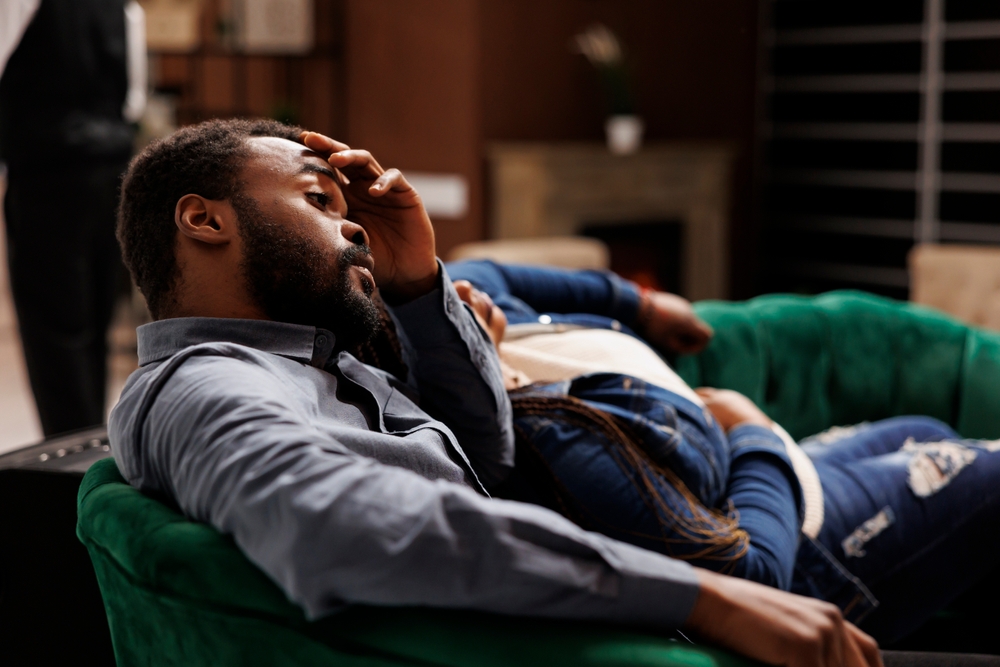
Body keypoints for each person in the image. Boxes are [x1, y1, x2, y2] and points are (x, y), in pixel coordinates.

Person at [109, 118, 881, 667]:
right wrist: (701, 596)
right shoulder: (207, 383)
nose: (354, 232)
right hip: (652, 631)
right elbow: (340, 524)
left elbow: (487, 448)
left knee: (905, 436)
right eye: (318, 200)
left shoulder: (311, 360)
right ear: (204, 219)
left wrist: (415, 283)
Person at [444, 260, 1000, 646]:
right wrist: (753, 430)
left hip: (774, 470)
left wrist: (641, 303)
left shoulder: (475, 303)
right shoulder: (557, 442)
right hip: (795, 542)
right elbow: (751, 580)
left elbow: (497, 272)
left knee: (924, 428)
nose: (461, 289)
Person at [1, 0, 144, 435]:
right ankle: (91, 448)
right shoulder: (121, 4)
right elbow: (133, 98)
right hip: (112, 170)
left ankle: (66, 468)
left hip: (46, 171)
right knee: (95, 322)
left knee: (56, 335)